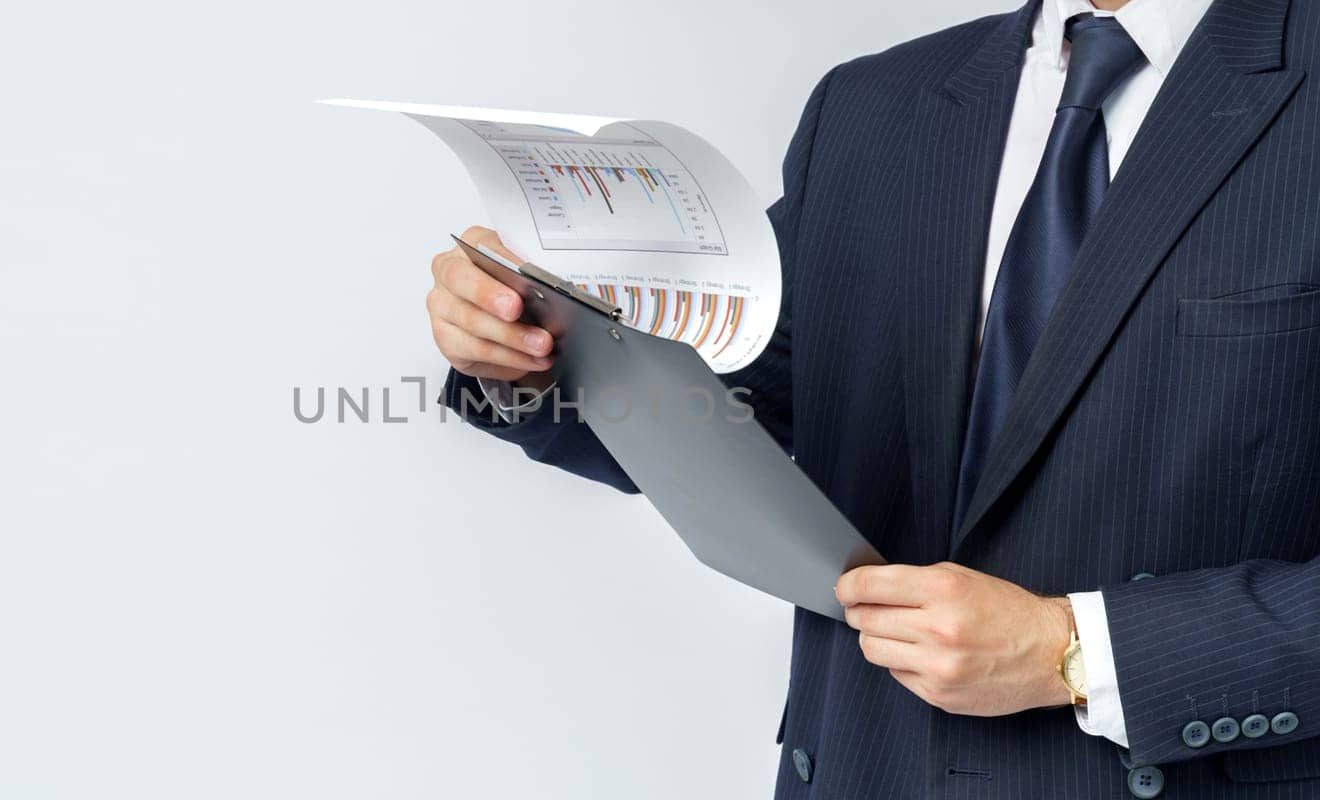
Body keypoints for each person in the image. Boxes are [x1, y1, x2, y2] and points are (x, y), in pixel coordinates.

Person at [422, 0, 1320, 796]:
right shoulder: (872, 105)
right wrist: (533, 350)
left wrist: (1079, 650)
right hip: (865, 765)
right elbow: (735, 405)